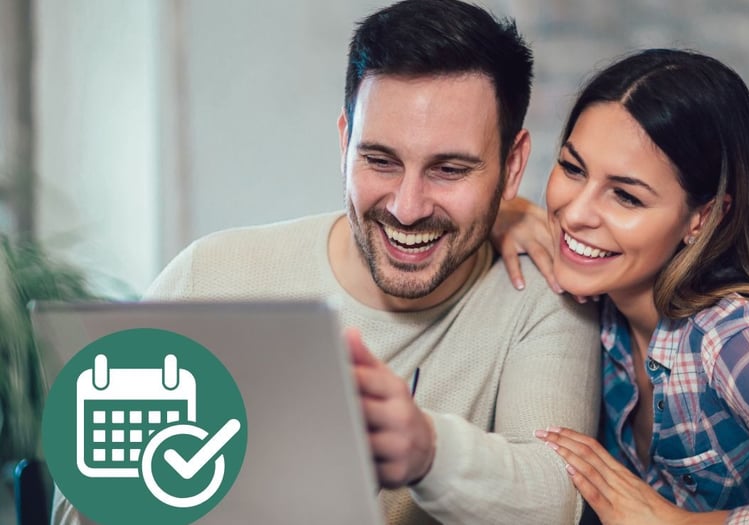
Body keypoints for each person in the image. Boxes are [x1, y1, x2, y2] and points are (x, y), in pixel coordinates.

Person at [50, 1, 600, 524]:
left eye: (449, 170)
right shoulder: (212, 276)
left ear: (512, 165)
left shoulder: (543, 291)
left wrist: (428, 451)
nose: (407, 208)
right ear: (345, 141)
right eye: (380, 161)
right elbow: (77, 506)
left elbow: (554, 500)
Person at [496, 48, 749, 524]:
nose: (576, 212)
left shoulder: (735, 338)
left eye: (625, 195)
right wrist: (503, 214)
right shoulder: (603, 305)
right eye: (572, 169)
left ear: (704, 217)